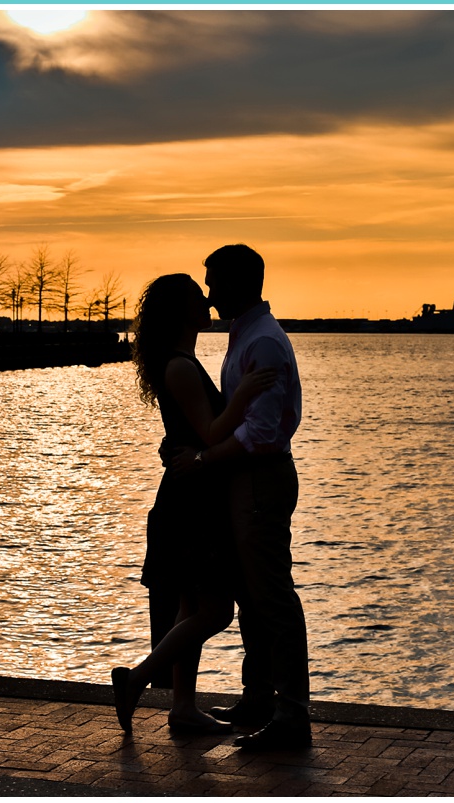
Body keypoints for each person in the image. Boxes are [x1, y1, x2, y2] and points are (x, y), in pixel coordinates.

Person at [111, 273, 275, 735]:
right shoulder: (180, 366)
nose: (207, 299)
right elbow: (210, 432)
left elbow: (190, 433)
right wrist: (244, 393)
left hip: (189, 494)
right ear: (181, 310)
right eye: (196, 296)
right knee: (215, 610)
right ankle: (137, 679)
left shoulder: (180, 361)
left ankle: (183, 706)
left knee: (189, 607)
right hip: (192, 503)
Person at [199, 243, 312, 752]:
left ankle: (291, 713)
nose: (208, 291)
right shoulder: (248, 335)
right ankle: (259, 697)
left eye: (214, 281)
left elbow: (262, 433)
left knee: (271, 596)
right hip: (249, 477)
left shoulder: (262, 343)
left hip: (260, 476)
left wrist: (204, 461)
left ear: (237, 284)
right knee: (251, 596)